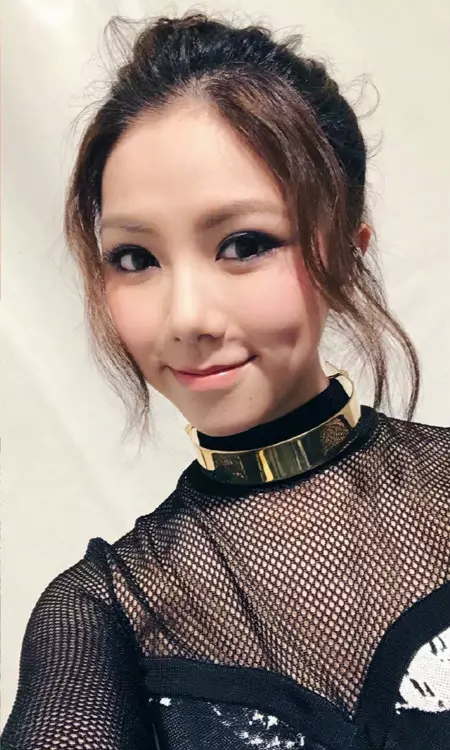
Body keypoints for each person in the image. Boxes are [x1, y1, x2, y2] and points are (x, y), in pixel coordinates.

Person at [2, 11, 449, 750]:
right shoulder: (105, 615)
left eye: (243, 244)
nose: (186, 318)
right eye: (135, 259)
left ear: (348, 249)